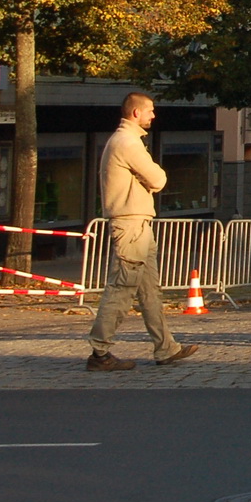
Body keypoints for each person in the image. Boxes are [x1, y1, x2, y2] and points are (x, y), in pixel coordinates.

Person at [85, 93, 199, 371]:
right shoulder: (127, 142)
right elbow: (158, 179)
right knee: (122, 287)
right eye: (150, 110)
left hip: (137, 224)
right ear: (136, 113)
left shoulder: (125, 140)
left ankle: (166, 347)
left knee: (149, 291)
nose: (153, 115)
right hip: (131, 225)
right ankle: (100, 352)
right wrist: (149, 179)